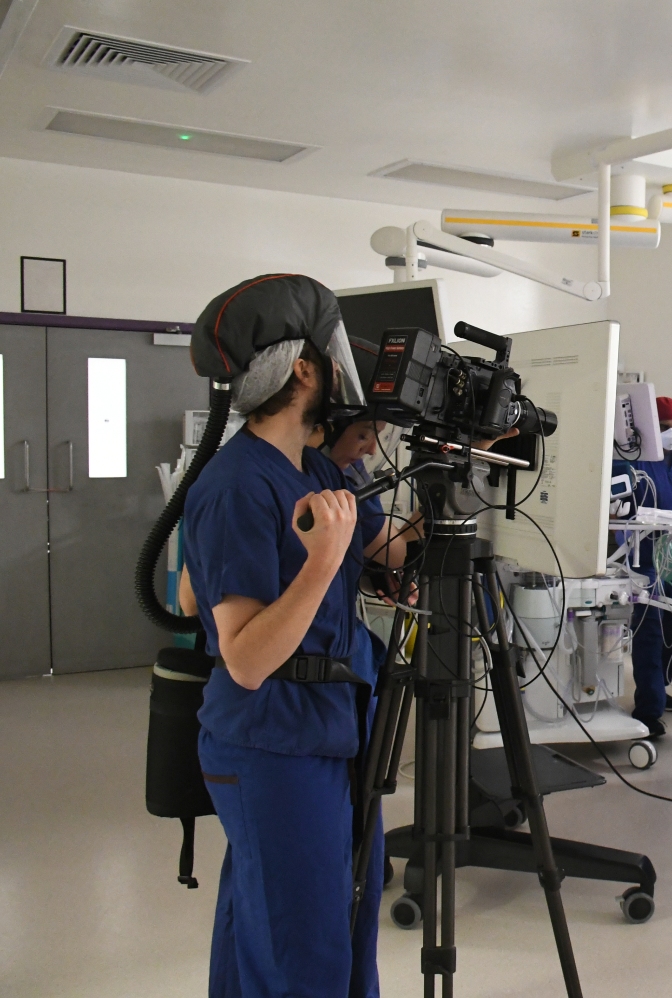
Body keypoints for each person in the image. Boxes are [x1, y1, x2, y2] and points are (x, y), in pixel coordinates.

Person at [181, 274, 383, 998]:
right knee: (301, 949)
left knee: (310, 927)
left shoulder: (310, 467)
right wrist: (322, 563)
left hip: (327, 732)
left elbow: (386, 549)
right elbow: (243, 658)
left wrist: (462, 458)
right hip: (271, 739)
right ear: (305, 368)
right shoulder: (235, 483)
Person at [612, 396, 672, 738]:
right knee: (649, 627)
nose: (671, 434)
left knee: (671, 626)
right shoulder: (633, 463)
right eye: (664, 428)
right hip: (644, 554)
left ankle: (662, 689)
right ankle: (648, 708)